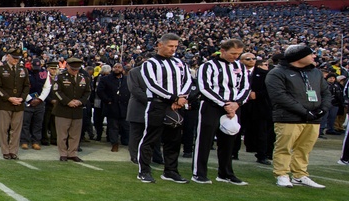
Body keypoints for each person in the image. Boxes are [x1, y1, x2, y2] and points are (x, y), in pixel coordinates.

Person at [265, 44, 330, 188]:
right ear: (299, 57)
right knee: (284, 146)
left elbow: (326, 92)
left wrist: (322, 110)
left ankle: (300, 174)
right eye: (311, 54)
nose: (314, 56)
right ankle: (281, 174)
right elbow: (279, 96)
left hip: (313, 118)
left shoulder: (316, 72)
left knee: (305, 148)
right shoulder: (277, 73)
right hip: (288, 117)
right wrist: (304, 111)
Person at [192, 39, 251, 185]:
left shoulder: (240, 67)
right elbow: (204, 87)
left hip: (233, 107)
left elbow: (246, 87)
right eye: (233, 53)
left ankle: (225, 173)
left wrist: (236, 103)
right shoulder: (208, 66)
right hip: (212, 106)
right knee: (204, 140)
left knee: (229, 140)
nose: (235, 57)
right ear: (223, 51)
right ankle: (199, 173)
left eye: (238, 54)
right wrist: (224, 104)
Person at [137, 33, 193, 184]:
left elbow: (188, 80)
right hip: (157, 104)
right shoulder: (150, 63)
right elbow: (152, 85)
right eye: (170, 46)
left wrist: (181, 98)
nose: (173, 49)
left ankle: (171, 171)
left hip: (177, 105)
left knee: (174, 139)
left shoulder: (180, 63)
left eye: (175, 46)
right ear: (160, 45)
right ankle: (144, 171)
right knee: (150, 138)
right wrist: (174, 98)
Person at [51, 56, 91, 162]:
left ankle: (72, 153)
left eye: (76, 69)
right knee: (62, 134)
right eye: (73, 69)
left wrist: (80, 101)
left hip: (77, 110)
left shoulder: (84, 78)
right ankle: (63, 153)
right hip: (63, 110)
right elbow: (56, 91)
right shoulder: (60, 77)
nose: (74, 71)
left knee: (75, 134)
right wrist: (67, 101)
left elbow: (87, 92)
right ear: (67, 66)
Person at [0, 47, 30, 160]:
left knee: (16, 129)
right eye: (14, 58)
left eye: (17, 58)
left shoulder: (23, 70)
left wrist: (21, 98)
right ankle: (5, 151)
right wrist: (9, 98)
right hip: (4, 104)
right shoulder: (0, 70)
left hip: (18, 104)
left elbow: (27, 86)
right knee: (3, 129)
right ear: (8, 57)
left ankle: (13, 151)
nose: (16, 60)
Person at [96, 63, 129, 152]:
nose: (117, 69)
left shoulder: (127, 79)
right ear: (112, 69)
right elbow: (100, 91)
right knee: (113, 127)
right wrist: (107, 100)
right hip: (111, 106)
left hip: (124, 107)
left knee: (125, 126)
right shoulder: (105, 79)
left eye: (119, 67)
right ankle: (114, 143)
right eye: (115, 67)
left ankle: (125, 141)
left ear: (122, 69)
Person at [20, 59, 51, 150]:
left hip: (40, 101)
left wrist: (40, 99)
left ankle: (36, 141)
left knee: (38, 123)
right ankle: (24, 141)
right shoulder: (25, 72)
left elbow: (47, 87)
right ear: (31, 65)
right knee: (25, 122)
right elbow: (22, 86)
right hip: (27, 100)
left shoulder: (45, 73)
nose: (37, 69)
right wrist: (29, 99)